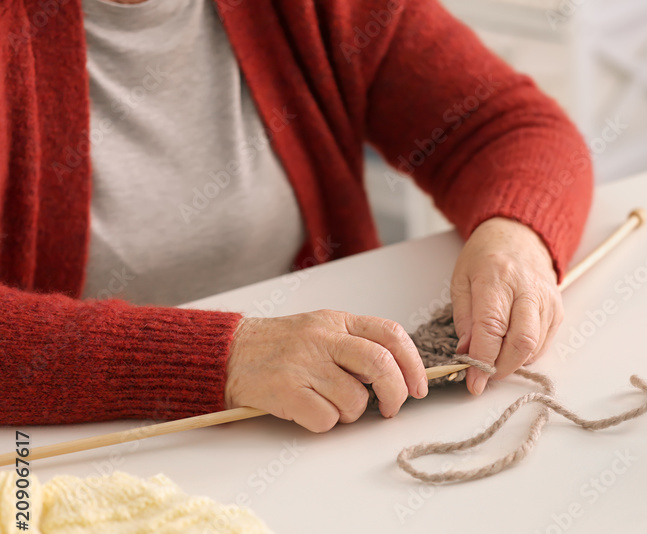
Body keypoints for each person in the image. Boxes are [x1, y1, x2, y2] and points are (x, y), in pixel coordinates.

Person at [0, 0, 593, 432]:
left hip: (329, 431)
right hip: (72, 460)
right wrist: (223, 356)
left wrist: (514, 238)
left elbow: (509, 127)